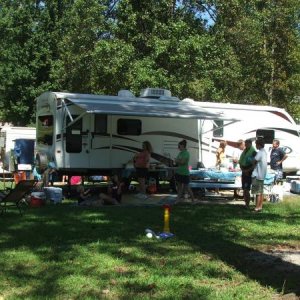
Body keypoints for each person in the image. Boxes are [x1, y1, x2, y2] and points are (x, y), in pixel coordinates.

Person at [238, 139, 257, 208]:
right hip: (244, 171)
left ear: (250, 144)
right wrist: (243, 169)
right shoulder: (244, 151)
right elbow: (240, 161)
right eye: (245, 144)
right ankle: (246, 203)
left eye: (246, 144)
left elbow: (255, 164)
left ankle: (248, 204)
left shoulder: (253, 152)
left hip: (249, 172)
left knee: (247, 189)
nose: (245, 145)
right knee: (244, 188)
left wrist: (248, 171)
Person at [252, 138, 268, 212]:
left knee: (257, 193)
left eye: (256, 144)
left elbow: (254, 161)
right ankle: (260, 206)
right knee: (261, 192)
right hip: (262, 174)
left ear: (259, 144)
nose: (255, 146)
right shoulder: (264, 152)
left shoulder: (260, 152)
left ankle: (256, 208)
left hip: (257, 174)